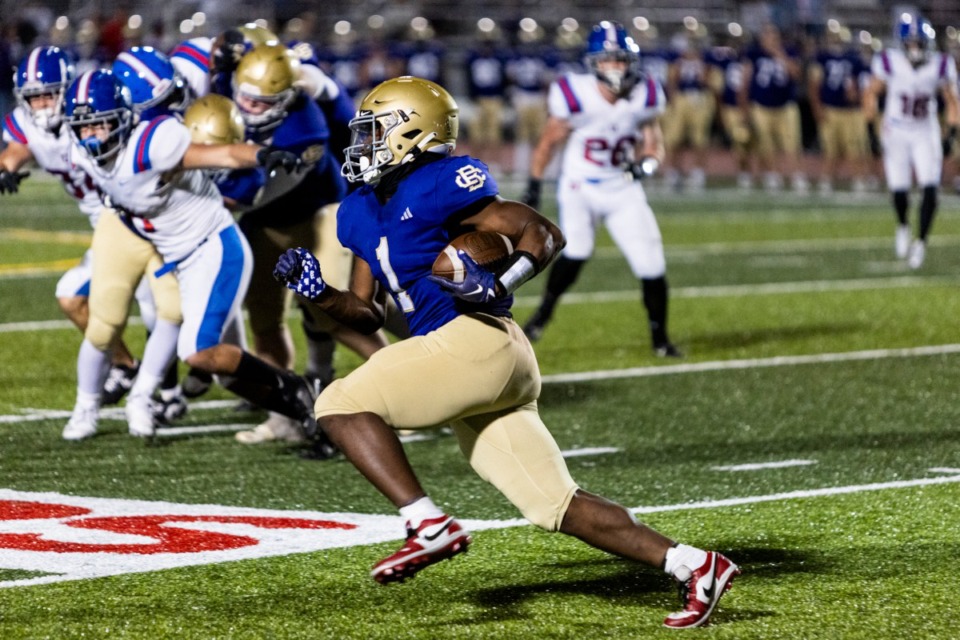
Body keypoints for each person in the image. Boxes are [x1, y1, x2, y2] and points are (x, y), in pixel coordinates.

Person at [273, 75, 738, 629]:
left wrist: (502, 282)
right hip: (482, 358)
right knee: (552, 504)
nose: (364, 145)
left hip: (475, 340)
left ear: (413, 133)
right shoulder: (357, 212)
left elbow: (540, 232)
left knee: (338, 403)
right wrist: (319, 292)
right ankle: (693, 565)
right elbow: (368, 313)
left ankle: (427, 524)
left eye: (375, 132)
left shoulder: (443, 181)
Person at [60, 69, 319, 442]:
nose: (91, 136)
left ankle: (294, 389)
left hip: (211, 249)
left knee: (198, 352)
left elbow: (223, 152)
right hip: (176, 256)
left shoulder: (151, 144)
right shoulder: (81, 154)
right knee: (224, 369)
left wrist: (262, 154)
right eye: (83, 127)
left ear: (122, 117)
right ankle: (299, 412)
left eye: (99, 125)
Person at [0, 46, 181, 439]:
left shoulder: (97, 112)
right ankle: (128, 370)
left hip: (138, 216)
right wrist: (8, 167)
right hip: (109, 227)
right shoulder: (27, 123)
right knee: (78, 299)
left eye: (49, 94)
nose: (43, 105)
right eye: (34, 97)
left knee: (159, 307)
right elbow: (18, 147)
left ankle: (167, 391)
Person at [228, 43, 391, 447]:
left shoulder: (305, 128)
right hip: (265, 221)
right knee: (264, 319)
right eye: (242, 96)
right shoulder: (227, 88)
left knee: (332, 312)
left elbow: (255, 193)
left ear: (286, 97)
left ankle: (400, 391)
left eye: (259, 101)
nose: (247, 107)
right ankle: (282, 413)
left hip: (317, 213)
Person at [520, 21, 680, 357]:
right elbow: (548, 143)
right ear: (594, 62)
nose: (617, 66)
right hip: (579, 187)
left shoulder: (646, 94)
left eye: (621, 59)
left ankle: (661, 339)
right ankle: (541, 315)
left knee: (651, 263)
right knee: (577, 252)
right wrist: (534, 185)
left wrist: (645, 167)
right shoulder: (574, 93)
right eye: (609, 59)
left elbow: (654, 146)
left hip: (622, 188)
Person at [862, 13, 959, 269]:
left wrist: (951, 133)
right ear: (902, 43)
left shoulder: (941, 64)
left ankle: (921, 242)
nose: (915, 48)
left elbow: (952, 101)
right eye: (911, 42)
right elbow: (871, 93)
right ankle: (903, 225)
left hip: (925, 131)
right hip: (896, 131)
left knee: (930, 187)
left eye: (919, 42)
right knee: (900, 192)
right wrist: (870, 131)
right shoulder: (889, 61)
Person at [739, 24, 807, 192]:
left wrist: (779, 54)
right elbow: (745, 82)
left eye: (772, 35)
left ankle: (796, 175)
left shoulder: (789, 52)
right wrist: (744, 108)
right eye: (766, 35)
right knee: (765, 144)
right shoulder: (753, 54)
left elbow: (796, 74)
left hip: (785, 105)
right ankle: (772, 175)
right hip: (761, 105)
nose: (769, 39)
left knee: (792, 142)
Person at [808, 27, 870, 195]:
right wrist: (817, 108)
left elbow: (863, 86)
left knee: (855, 147)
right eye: (832, 37)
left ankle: (859, 179)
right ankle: (827, 179)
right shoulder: (822, 58)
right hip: (830, 109)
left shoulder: (854, 59)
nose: (835, 40)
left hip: (851, 111)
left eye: (838, 37)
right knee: (830, 148)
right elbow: (814, 85)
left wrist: (856, 95)